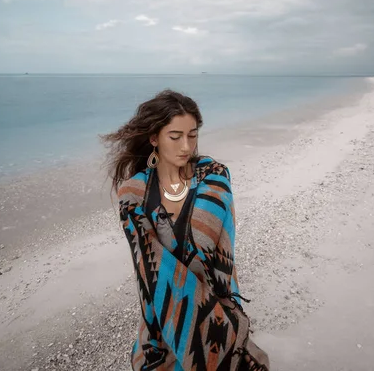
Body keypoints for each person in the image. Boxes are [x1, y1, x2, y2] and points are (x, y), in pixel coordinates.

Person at [102, 89, 270, 370]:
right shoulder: (133, 194)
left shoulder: (215, 177)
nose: (186, 146)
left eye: (192, 135)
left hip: (218, 306)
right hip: (162, 312)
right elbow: (147, 266)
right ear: (154, 138)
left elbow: (216, 249)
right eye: (175, 136)